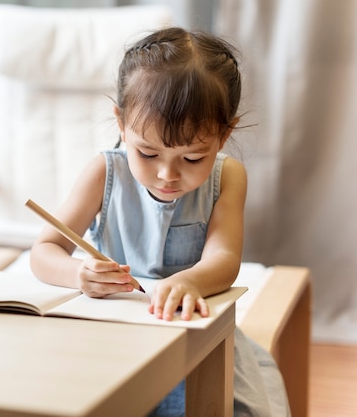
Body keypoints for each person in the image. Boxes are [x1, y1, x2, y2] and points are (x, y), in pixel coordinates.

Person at [30, 27, 284, 416]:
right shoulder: (104, 171)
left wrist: (187, 282)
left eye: (193, 158)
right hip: (110, 334)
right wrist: (79, 273)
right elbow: (44, 250)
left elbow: (225, 258)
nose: (167, 175)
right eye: (148, 153)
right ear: (121, 123)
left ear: (224, 133)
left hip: (192, 336)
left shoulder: (228, 177)